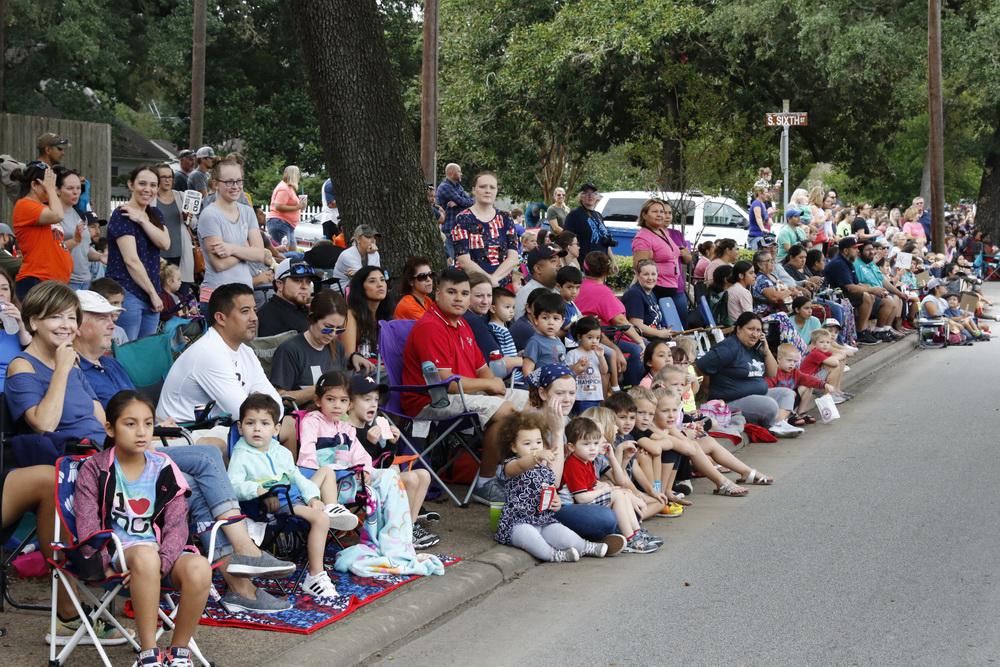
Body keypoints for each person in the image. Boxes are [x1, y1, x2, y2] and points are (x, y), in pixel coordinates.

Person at [74, 391, 211, 667]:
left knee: (200, 568)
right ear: (110, 428)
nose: (142, 432)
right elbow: (87, 527)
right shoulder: (95, 469)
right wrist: (105, 565)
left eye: (148, 423)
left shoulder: (164, 467)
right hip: (118, 553)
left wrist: (161, 565)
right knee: (145, 558)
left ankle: (178, 653)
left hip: (160, 555)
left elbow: (176, 526)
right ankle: (148, 654)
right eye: (130, 424)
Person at [401, 267, 529, 504]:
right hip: (430, 399)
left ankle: (518, 472)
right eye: (451, 292)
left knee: (531, 403)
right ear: (438, 294)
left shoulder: (463, 325)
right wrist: (490, 386)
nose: (459, 298)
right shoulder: (431, 326)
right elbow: (444, 382)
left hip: (464, 392)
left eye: (463, 293)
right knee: (504, 410)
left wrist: (494, 383)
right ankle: (485, 482)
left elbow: (482, 368)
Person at [228, 393, 358, 602]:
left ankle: (331, 507)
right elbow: (232, 485)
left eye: (264, 423)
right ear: (240, 427)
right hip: (271, 504)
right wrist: (257, 489)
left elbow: (297, 477)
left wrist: (313, 497)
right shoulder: (241, 454)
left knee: (325, 472)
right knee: (320, 519)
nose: (257, 428)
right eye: (250, 423)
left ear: (276, 429)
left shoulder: (281, 452)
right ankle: (315, 575)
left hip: (292, 495)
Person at [157, 283, 285, 440]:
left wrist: (264, 411)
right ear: (220, 318)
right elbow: (241, 412)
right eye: (245, 311)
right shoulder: (209, 353)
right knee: (242, 438)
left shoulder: (246, 351)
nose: (254, 318)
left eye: (254, 310)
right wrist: (263, 410)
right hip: (178, 434)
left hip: (213, 427)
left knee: (289, 426)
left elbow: (275, 403)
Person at [493, 411, 610, 562]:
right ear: (514, 447)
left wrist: (556, 502)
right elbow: (521, 466)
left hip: (543, 519)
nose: (535, 447)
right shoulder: (510, 464)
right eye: (527, 444)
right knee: (529, 536)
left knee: (562, 533)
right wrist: (536, 457)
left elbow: (551, 490)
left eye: (538, 442)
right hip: (517, 523)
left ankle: (586, 546)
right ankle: (553, 555)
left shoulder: (544, 468)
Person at [347, 374, 440, 549]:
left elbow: (384, 462)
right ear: (350, 403)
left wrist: (391, 444)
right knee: (410, 478)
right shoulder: (346, 430)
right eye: (367, 399)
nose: (373, 404)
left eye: (376, 399)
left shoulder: (370, 427)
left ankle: (409, 528)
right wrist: (369, 442)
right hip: (358, 482)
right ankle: (401, 532)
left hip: (380, 478)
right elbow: (359, 462)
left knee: (424, 474)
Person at [695, 312, 803, 437]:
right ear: (739, 329)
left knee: (787, 393)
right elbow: (700, 366)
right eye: (751, 329)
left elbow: (773, 373)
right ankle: (775, 425)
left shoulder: (756, 348)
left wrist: (767, 351)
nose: (755, 334)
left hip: (756, 396)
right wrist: (706, 388)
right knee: (769, 404)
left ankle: (777, 424)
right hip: (731, 401)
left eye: (758, 330)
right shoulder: (729, 348)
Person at [563, 415, 657, 554]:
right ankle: (630, 538)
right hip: (576, 507)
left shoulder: (587, 461)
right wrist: (604, 490)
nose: (592, 449)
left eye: (595, 443)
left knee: (622, 493)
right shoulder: (573, 464)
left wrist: (606, 487)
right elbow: (581, 498)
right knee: (618, 495)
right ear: (571, 447)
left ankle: (636, 532)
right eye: (586, 444)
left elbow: (599, 483)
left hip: (587, 501)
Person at [106, 166, 171, 340]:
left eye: (153, 185)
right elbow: (131, 261)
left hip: (152, 294)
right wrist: (153, 294)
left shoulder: (154, 213)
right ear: (131, 184)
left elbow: (165, 243)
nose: (147, 189)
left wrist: (143, 220)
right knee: (127, 351)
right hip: (128, 292)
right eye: (142, 183)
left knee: (144, 353)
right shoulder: (122, 214)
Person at [196, 158, 269, 309]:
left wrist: (232, 249)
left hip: (245, 296)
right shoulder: (210, 215)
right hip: (218, 298)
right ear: (216, 184)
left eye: (239, 181)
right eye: (229, 182)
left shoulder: (247, 212)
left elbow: (260, 254)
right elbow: (219, 264)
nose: (235, 186)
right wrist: (246, 248)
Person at [12, 163, 71, 299]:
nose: (54, 189)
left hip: (52, 282)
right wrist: (50, 190)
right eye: (49, 184)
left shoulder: (43, 208)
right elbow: (58, 215)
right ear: (34, 185)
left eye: (54, 185)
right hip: (37, 280)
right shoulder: (24, 205)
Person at [451, 172, 520, 287]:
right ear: (474, 190)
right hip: (472, 286)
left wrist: (494, 280)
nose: (488, 190)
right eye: (483, 187)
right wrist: (488, 281)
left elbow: (513, 258)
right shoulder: (463, 218)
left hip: (501, 287)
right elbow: (463, 260)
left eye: (492, 187)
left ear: (496, 191)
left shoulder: (506, 218)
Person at [824, 236, 894, 345]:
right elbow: (850, 287)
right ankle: (861, 332)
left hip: (844, 293)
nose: (857, 251)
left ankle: (868, 330)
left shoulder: (848, 261)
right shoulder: (839, 263)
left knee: (870, 295)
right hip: (834, 295)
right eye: (854, 248)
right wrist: (871, 289)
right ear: (846, 250)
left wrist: (874, 289)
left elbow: (856, 283)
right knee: (866, 295)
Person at [631, 198, 689, 326]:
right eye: (655, 211)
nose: (660, 214)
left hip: (672, 286)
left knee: (679, 327)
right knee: (664, 328)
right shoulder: (643, 237)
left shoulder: (662, 231)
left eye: (662, 211)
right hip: (656, 290)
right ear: (644, 215)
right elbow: (640, 267)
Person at [55, 167, 96, 291]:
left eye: (78, 188)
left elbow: (84, 248)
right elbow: (52, 249)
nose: (76, 192)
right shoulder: (51, 216)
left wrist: (100, 256)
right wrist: (73, 241)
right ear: (57, 190)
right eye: (70, 188)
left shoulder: (80, 214)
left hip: (86, 279)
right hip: (66, 281)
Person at [343, 265, 392, 367]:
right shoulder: (351, 315)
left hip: (384, 372)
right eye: (372, 281)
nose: (380, 285)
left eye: (382, 280)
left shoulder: (386, 315)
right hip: (360, 374)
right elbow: (349, 357)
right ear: (360, 287)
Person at [256, 258, 316, 337]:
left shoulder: (308, 310)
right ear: (280, 284)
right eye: (297, 280)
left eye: (308, 282)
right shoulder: (268, 318)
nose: (305, 286)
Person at [622, 259, 674, 340]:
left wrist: (663, 331)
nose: (650, 278)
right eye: (646, 274)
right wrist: (659, 333)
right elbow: (636, 325)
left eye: (653, 274)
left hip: (655, 338)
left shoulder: (650, 293)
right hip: (643, 341)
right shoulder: (634, 294)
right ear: (638, 276)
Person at [565, 316, 609, 411]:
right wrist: (577, 365)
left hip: (595, 395)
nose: (594, 341)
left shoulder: (597, 353)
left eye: (597, 338)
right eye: (590, 337)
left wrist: (601, 357)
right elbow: (567, 373)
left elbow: (604, 371)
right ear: (579, 337)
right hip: (580, 396)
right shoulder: (573, 353)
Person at [563, 182, 615, 261]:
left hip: (602, 264)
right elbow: (566, 242)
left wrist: (613, 261)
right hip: (585, 265)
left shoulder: (598, 215)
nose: (590, 196)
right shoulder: (574, 215)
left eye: (593, 193)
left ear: (597, 197)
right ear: (581, 197)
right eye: (586, 193)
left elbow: (606, 241)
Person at [436, 163, 474, 261]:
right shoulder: (444, 187)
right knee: (452, 260)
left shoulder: (458, 187)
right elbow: (463, 201)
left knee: (462, 261)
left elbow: (472, 202)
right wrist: (461, 201)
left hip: (460, 229)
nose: (461, 174)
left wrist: (458, 203)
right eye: (459, 171)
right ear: (452, 173)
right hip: (450, 229)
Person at [152, 163, 187, 267]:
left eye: (170, 177)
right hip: (158, 251)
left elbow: (194, 223)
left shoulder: (182, 196)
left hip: (180, 251)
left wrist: (187, 218)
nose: (167, 180)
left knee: (179, 282)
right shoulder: (151, 199)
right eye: (163, 177)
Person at [0, 269, 30, 391]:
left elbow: (31, 350)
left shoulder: (20, 319)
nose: (1, 293)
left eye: (5, 288)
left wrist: (21, 325)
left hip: (17, 389)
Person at [514, 245, 561, 320]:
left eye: (559, 260)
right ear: (538, 269)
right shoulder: (527, 295)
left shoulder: (556, 289)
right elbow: (525, 329)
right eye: (553, 261)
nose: (560, 264)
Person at [487, 287, 523, 386]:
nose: (511, 311)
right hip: (512, 378)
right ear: (493, 309)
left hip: (517, 374)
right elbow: (502, 356)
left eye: (513, 307)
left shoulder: (504, 327)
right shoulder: (496, 330)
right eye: (507, 307)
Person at [331, 224, 381, 293]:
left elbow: (376, 276)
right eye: (368, 237)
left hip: (359, 290)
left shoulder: (374, 253)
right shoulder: (348, 255)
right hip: (340, 294)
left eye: (374, 237)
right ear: (358, 239)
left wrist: (361, 273)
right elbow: (369, 278)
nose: (373, 240)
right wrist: (372, 255)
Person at [266, 166, 306, 251]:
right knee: (283, 252)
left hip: (285, 224)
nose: (299, 177)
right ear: (294, 175)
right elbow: (278, 206)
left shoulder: (288, 187)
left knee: (291, 252)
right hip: (280, 223)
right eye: (298, 174)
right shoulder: (284, 188)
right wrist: (297, 207)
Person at [394, 256, 435, 320]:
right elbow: (433, 325)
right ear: (411, 281)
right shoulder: (408, 305)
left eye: (430, 275)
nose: (429, 279)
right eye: (422, 276)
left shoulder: (427, 300)